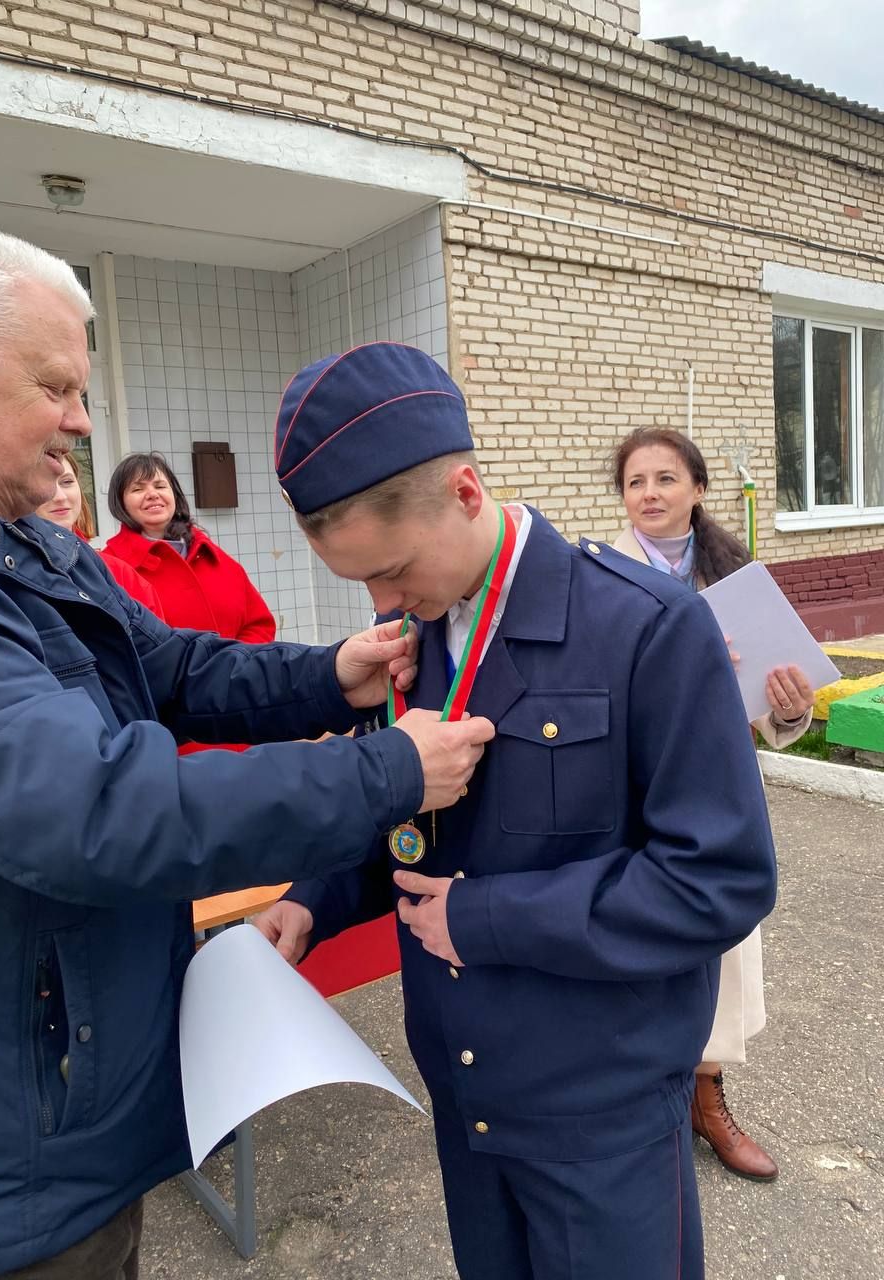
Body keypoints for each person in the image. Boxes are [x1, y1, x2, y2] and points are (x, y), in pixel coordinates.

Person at [0, 227, 495, 1277]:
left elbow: (176, 666)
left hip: (67, 1101)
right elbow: (97, 808)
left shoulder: (25, 542)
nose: (81, 422)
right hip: (1, 1154)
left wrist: (331, 675)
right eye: (54, 386)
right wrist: (387, 769)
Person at [258, 341, 777, 1280]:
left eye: (392, 568)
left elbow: (719, 880)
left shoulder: (647, 627)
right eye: (359, 582)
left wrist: (488, 917)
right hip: (465, 1092)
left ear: (464, 492)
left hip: (599, 1111)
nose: (383, 601)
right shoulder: (419, 633)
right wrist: (315, 897)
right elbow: (413, 828)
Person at [609, 426, 814, 1184]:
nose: (651, 493)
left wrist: (790, 708)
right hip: (632, 790)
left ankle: (707, 1098)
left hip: (719, 789)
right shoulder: (599, 577)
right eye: (636, 481)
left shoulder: (737, 578)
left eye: (667, 478)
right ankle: (643, 1105)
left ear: (698, 489)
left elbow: (778, 703)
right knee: (637, 939)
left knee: (719, 944)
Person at [104, 451, 275, 644]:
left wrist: (237, 659)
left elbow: (259, 624)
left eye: (160, 486)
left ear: (174, 495)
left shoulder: (209, 553)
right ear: (121, 502)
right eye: (137, 489)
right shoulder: (110, 566)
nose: (152, 494)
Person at [35, 449, 164, 615]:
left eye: (67, 482)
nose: (60, 497)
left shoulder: (120, 573)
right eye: (43, 482)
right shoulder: (10, 572)